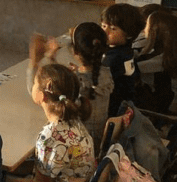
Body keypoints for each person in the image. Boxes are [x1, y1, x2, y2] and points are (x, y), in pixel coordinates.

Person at [3, 63, 95, 182]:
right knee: (5, 174)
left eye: (35, 83)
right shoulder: (73, 120)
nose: (32, 86)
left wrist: (5, 179)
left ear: (42, 95)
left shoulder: (51, 136)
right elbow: (45, 168)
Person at [28, 23, 113, 152]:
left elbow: (43, 93)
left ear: (75, 52)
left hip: (74, 147)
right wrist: (78, 71)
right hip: (97, 142)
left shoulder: (77, 82)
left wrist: (35, 62)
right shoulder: (107, 74)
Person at [137, 11, 177, 115]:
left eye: (147, 26)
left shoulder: (162, 60)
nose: (144, 31)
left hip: (163, 112)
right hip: (175, 107)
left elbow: (134, 68)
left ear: (155, 33)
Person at [100, 3, 144, 117]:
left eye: (113, 29)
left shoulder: (116, 58)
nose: (105, 32)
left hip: (112, 112)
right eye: (103, 26)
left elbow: (97, 81)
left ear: (129, 34)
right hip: (122, 108)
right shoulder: (125, 51)